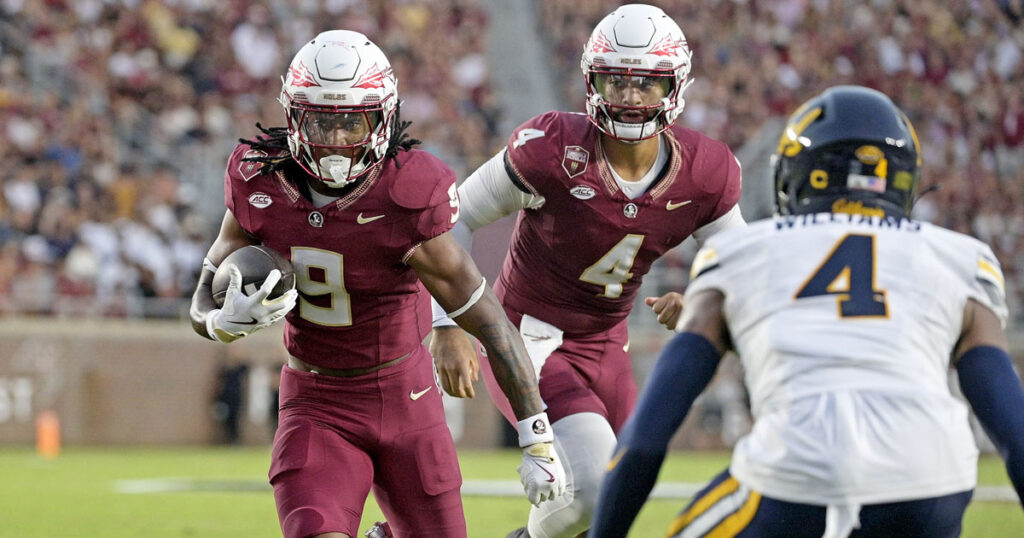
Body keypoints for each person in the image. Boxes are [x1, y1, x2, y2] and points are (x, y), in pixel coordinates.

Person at [589, 85, 1024, 537]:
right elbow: (1015, 433)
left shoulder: (739, 253)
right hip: (932, 486)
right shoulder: (961, 258)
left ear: (797, 175)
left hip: (793, 480)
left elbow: (644, 441)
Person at [188, 30, 565, 538]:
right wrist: (217, 322)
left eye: (353, 123)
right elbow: (208, 284)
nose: (338, 141)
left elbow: (488, 319)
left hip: (406, 396)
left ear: (383, 119)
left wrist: (536, 435)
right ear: (294, 116)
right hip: (315, 398)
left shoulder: (407, 195)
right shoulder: (258, 181)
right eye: (322, 120)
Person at [429, 5, 744, 538]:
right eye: (615, 81)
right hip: (527, 337)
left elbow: (741, 263)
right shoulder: (553, 148)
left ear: (675, 86)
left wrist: (700, 294)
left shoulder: (706, 171)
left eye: (645, 84)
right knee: (592, 490)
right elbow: (453, 218)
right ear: (591, 80)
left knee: (617, 502)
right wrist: (448, 323)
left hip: (607, 344)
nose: (629, 97)